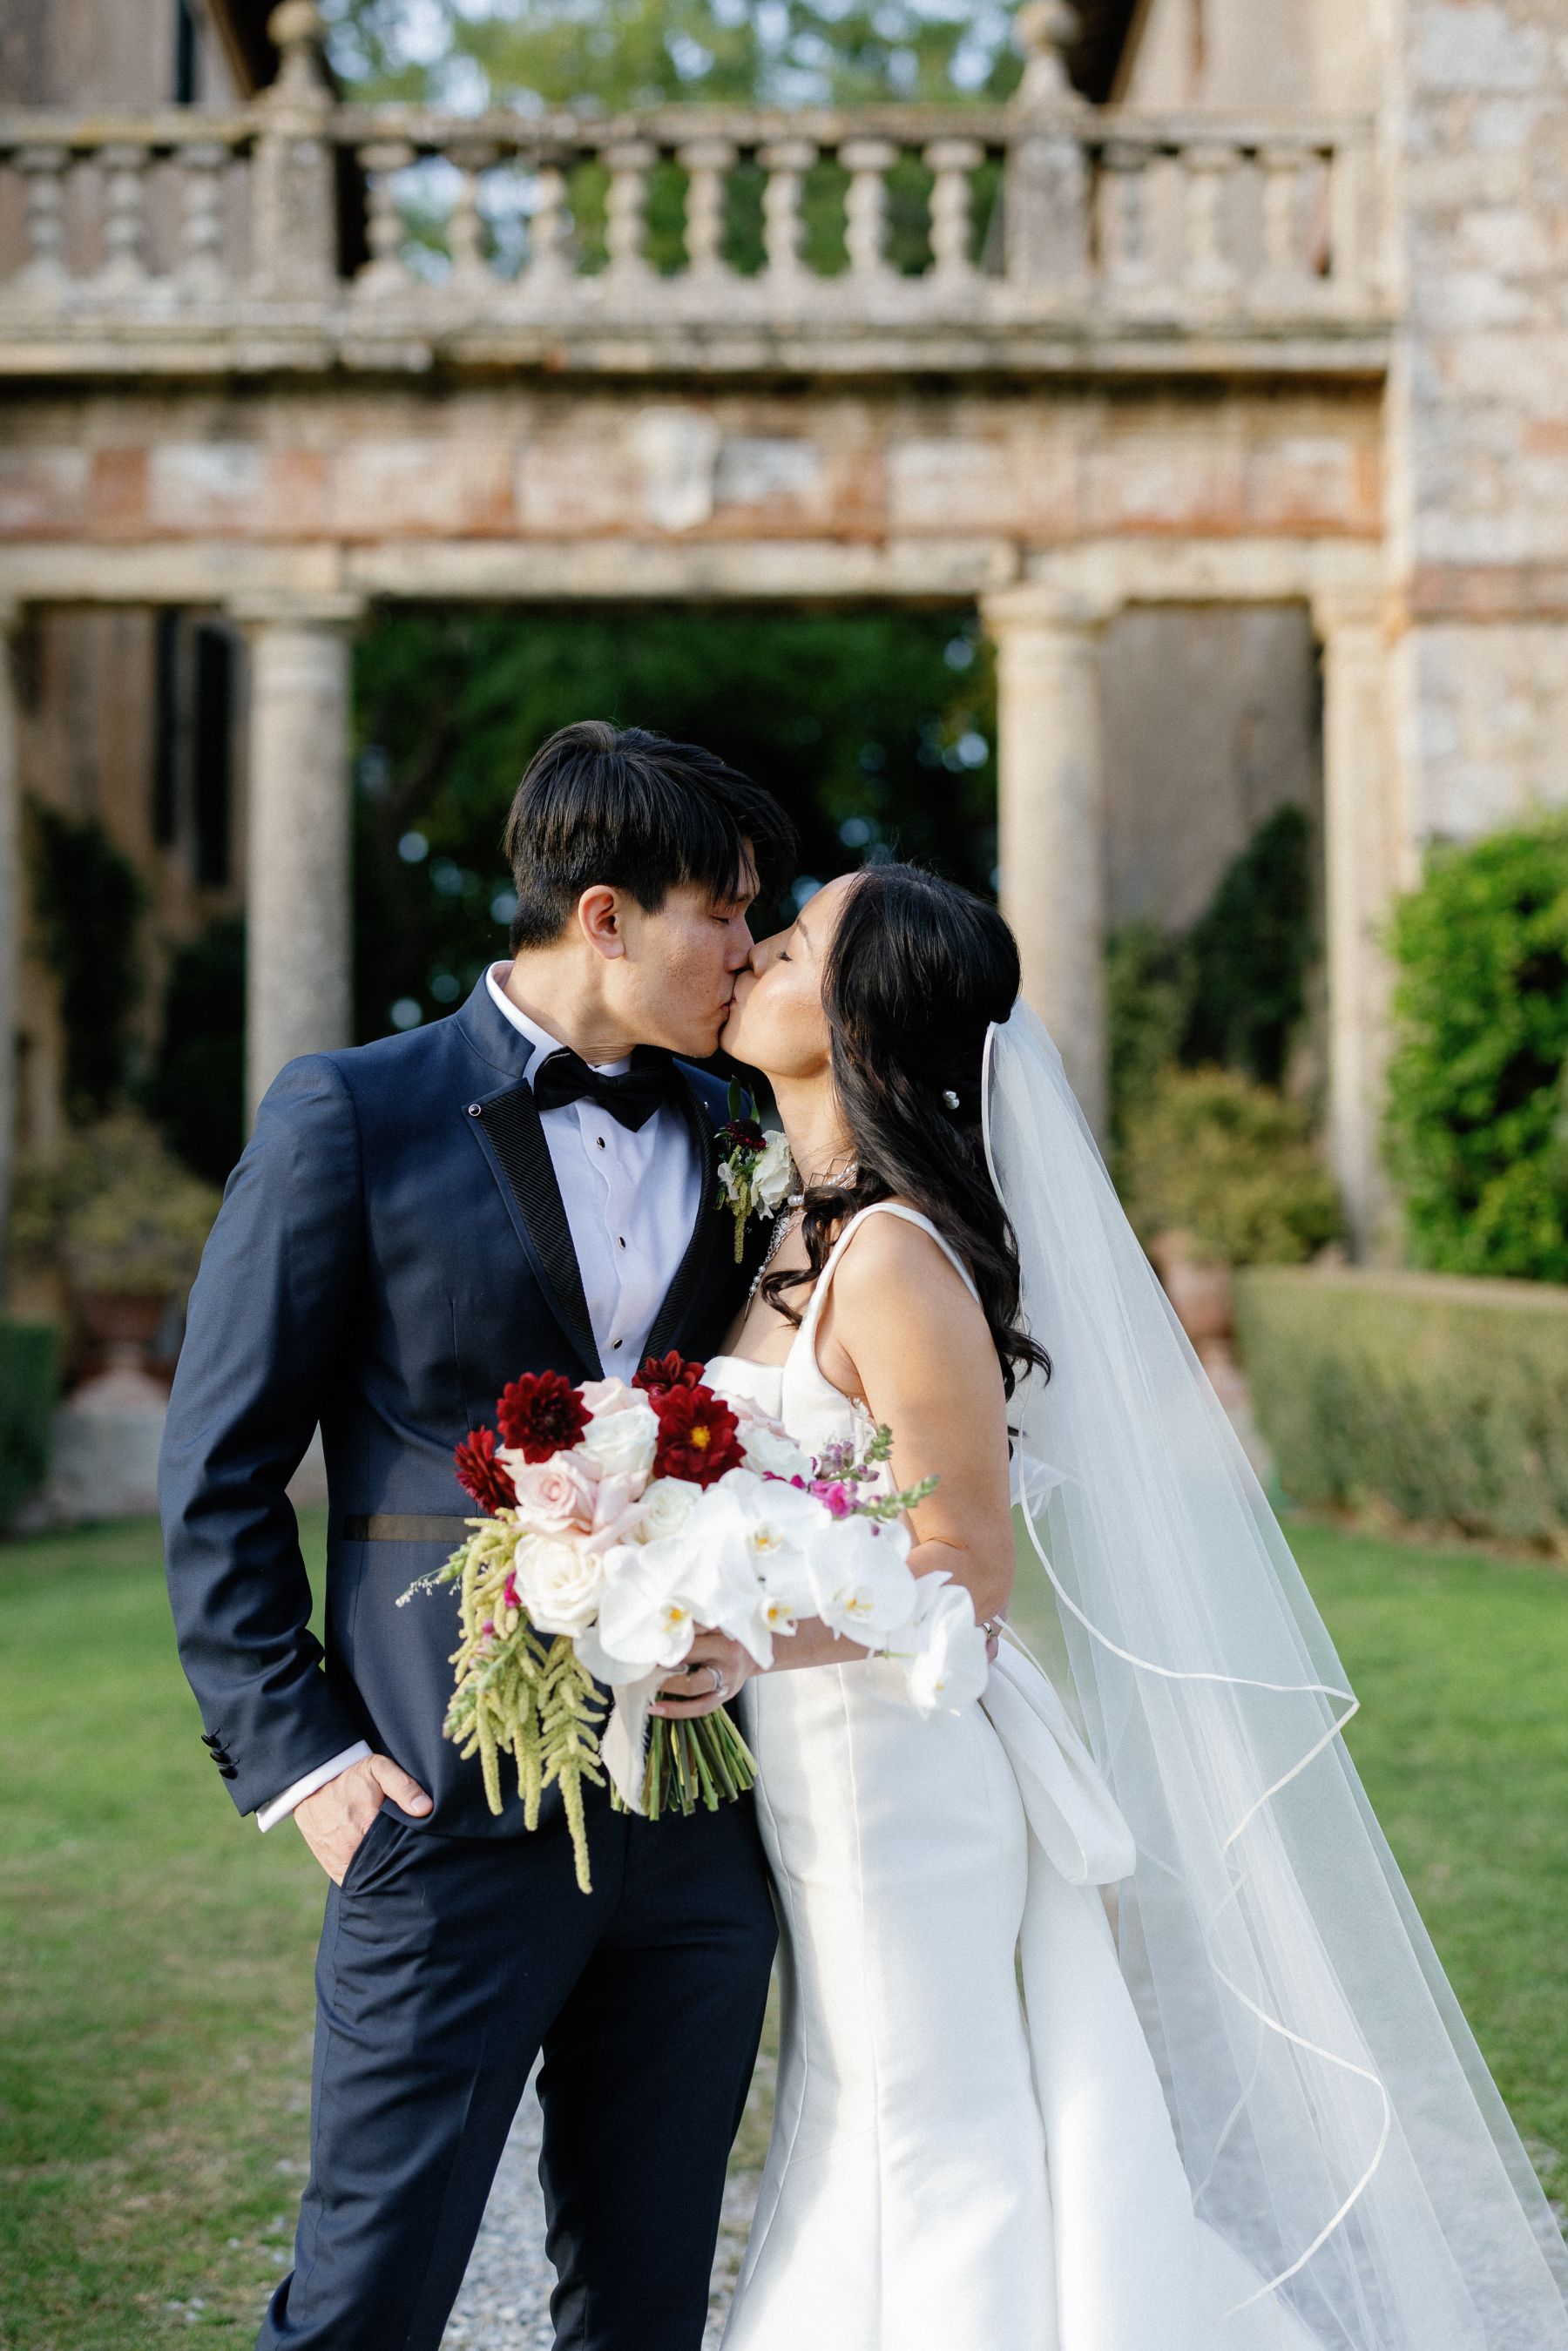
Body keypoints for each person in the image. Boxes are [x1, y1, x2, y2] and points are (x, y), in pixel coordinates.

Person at [704, 861, 1568, 2351]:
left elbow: (969, 1568)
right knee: (857, 2109)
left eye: (786, 947)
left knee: (929, 2129)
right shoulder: (791, 1230)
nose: (751, 960)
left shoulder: (895, 1259)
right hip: (820, 1758)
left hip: (900, 1775)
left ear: (860, 1019)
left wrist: (738, 1641)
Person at [159, 720, 796, 2351]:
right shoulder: (350, 1115)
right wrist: (304, 1764)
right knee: (371, 2292)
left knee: (650, 2297)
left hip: (696, 1815)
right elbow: (221, 1469)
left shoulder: (745, 1138)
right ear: (602, 917)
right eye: (722, 914)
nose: (749, 949)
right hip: (440, 1803)